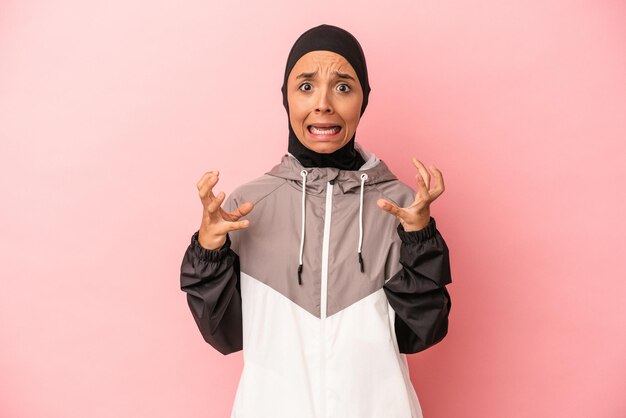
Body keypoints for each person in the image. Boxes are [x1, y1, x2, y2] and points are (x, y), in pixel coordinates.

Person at [180, 24, 452, 418]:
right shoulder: (245, 207)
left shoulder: (402, 207)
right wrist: (209, 250)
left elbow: (421, 334)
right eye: (306, 86)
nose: (323, 103)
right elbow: (223, 334)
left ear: (364, 100)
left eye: (343, 87)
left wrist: (420, 238)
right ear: (286, 99)